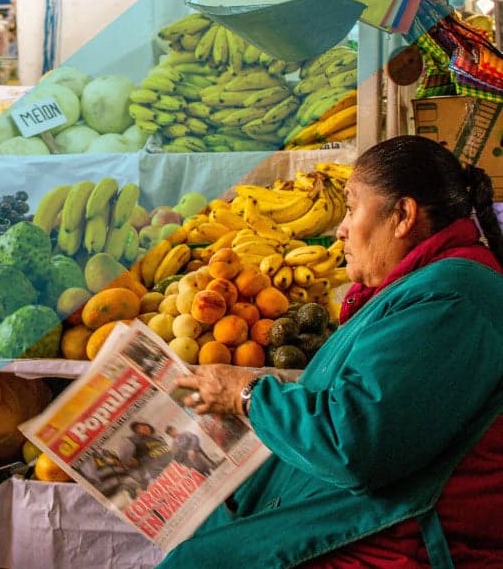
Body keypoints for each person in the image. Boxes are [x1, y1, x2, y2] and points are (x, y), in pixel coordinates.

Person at [166, 135, 503, 567]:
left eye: (351, 207)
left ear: (402, 215)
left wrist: (247, 396)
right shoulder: (429, 286)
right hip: (364, 514)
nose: (341, 229)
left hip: (398, 537)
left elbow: (355, 441)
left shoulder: (452, 301)